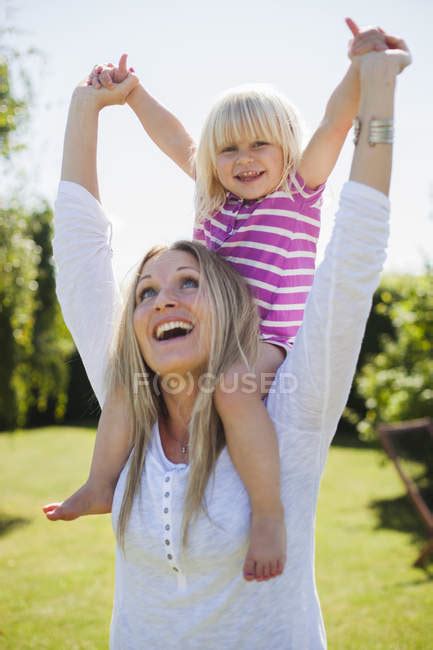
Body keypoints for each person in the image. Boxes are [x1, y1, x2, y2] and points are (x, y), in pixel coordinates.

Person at [43, 20, 411, 647]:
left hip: (266, 343)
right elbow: (179, 140)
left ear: (286, 151)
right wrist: (130, 98)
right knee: (131, 388)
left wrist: (362, 76)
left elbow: (333, 127)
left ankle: (269, 516)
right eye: (229, 150)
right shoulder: (212, 199)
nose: (242, 161)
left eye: (259, 147)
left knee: (234, 394)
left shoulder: (298, 190)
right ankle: (101, 483)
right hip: (216, 347)